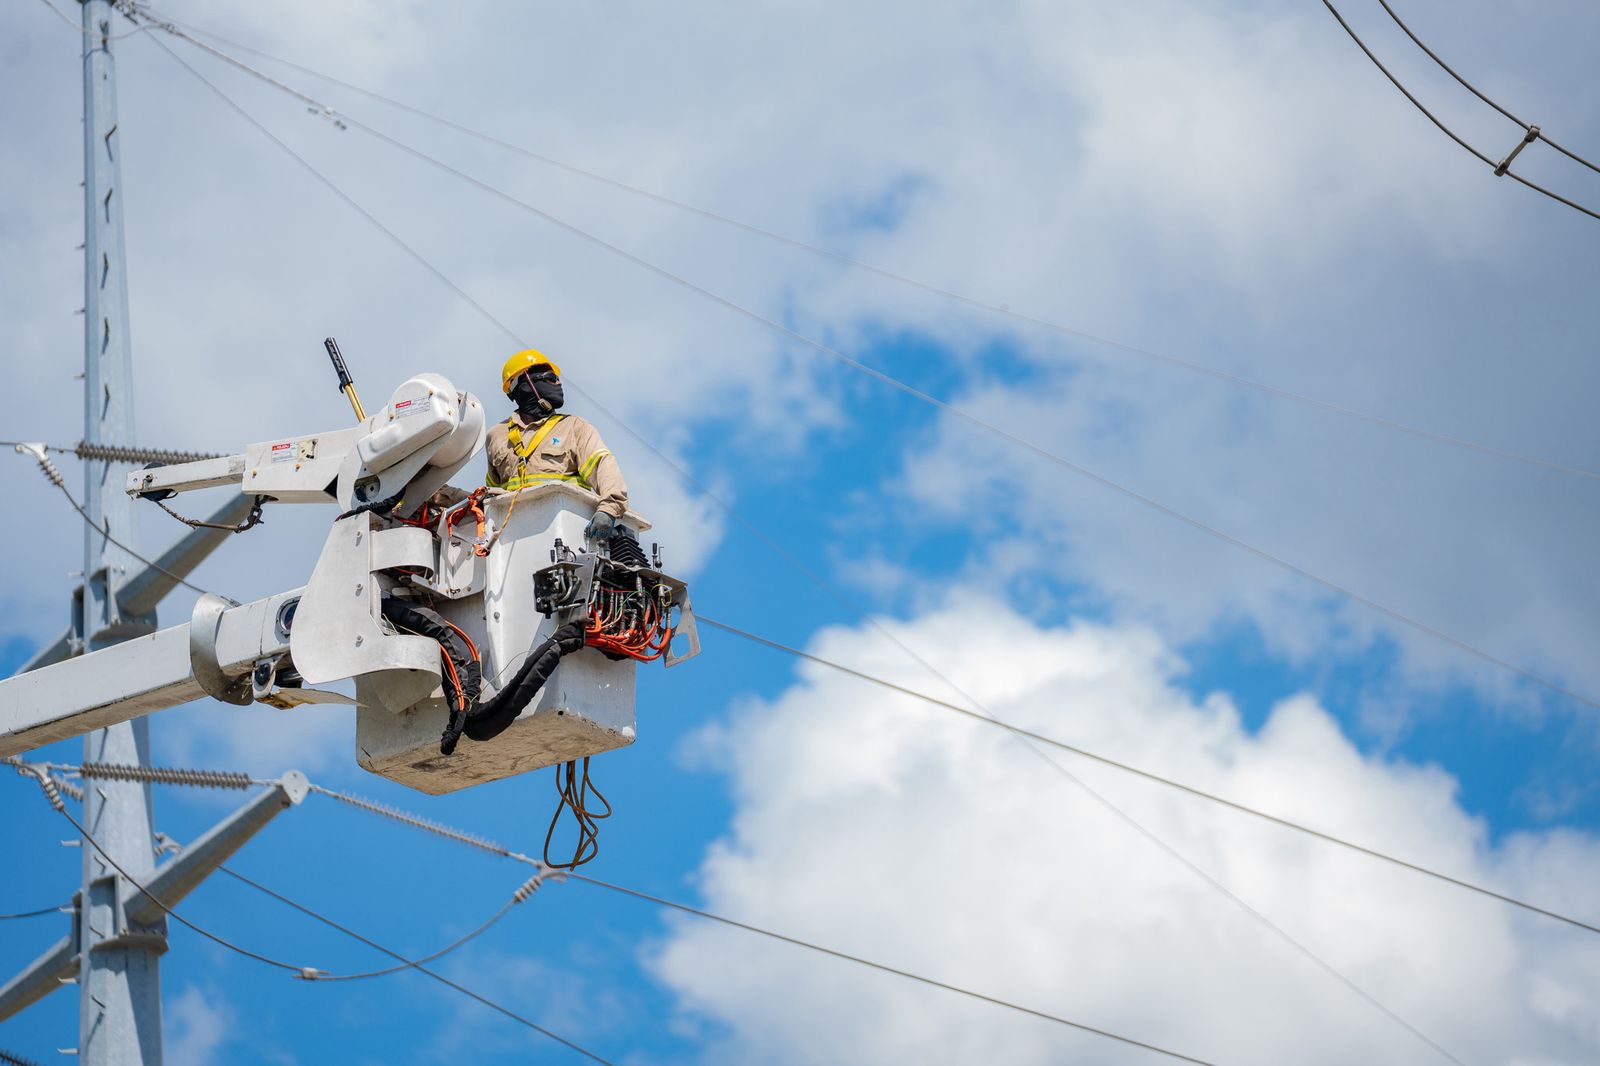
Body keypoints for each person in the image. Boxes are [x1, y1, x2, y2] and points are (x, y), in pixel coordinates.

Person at [485, 349, 628, 543]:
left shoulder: (574, 427)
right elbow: (491, 495)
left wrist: (609, 509)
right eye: (551, 378)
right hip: (514, 541)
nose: (559, 383)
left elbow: (603, 464)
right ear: (525, 384)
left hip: (564, 536)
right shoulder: (497, 435)